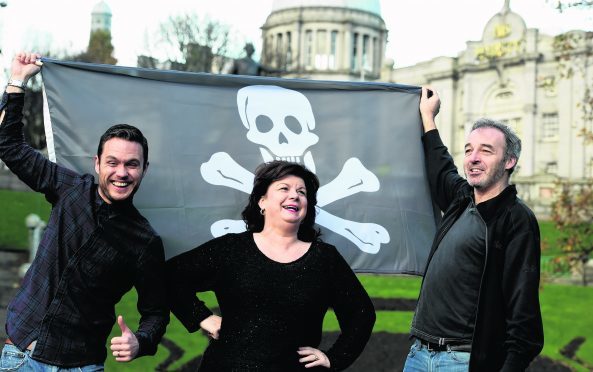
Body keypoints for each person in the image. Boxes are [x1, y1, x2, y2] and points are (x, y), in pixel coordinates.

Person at [0, 52, 169, 370]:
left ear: (144, 169)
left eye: (132, 164)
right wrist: (17, 81)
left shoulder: (145, 240)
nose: (122, 172)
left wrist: (140, 341)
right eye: (113, 162)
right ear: (98, 164)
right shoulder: (70, 188)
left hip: (81, 364)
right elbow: (9, 146)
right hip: (20, 356)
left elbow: (156, 312)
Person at [166, 160, 376, 371]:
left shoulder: (325, 259)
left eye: (302, 192)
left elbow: (361, 313)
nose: (295, 195)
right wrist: (202, 317)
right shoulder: (231, 249)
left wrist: (335, 358)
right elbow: (168, 276)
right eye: (284, 188)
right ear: (262, 201)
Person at [403, 87, 544, 372]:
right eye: (469, 150)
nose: (473, 157)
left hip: (461, 361)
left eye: (486, 151)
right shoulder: (460, 199)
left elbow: (523, 314)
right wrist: (428, 118)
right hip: (419, 354)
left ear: (509, 161)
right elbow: (441, 167)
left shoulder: (515, 220)